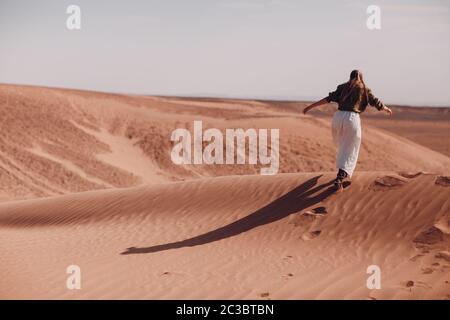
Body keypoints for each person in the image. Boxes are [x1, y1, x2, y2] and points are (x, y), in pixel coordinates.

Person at [303, 70, 393, 191]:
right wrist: (385, 108)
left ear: (350, 77)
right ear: (361, 78)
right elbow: (375, 102)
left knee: (342, 144)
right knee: (351, 147)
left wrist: (310, 106)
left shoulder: (343, 87)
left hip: (338, 117)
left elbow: (328, 98)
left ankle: (341, 170)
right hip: (352, 118)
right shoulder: (364, 89)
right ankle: (340, 176)